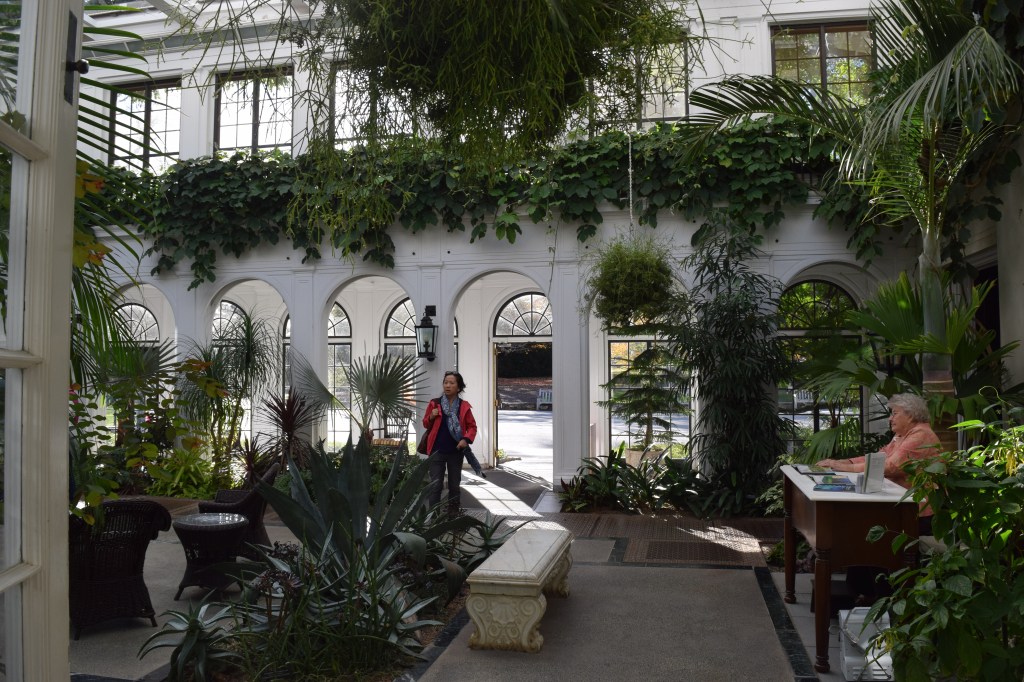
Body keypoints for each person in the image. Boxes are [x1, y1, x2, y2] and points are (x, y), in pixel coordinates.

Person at [816, 392, 941, 534]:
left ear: (910, 415)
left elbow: (890, 467)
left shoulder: (920, 435)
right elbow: (879, 458)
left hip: (917, 511)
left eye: (894, 414)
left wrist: (843, 467)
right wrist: (846, 461)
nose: (890, 418)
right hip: (902, 504)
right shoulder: (902, 435)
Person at [422, 371, 479, 512]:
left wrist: (466, 439)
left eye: (451, 383)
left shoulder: (463, 406)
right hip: (436, 452)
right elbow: (425, 423)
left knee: (454, 486)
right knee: (435, 486)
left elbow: (472, 426)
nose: (447, 385)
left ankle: (452, 517)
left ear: (458, 387)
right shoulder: (435, 404)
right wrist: (431, 416)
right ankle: (433, 519)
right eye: (446, 382)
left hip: (456, 451)